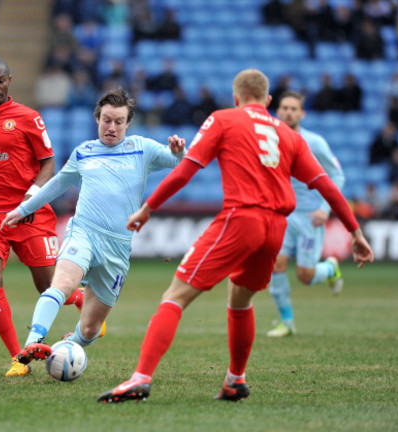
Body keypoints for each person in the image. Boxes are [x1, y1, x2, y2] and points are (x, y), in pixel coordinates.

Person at [97, 69, 374, 404]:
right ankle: (235, 380)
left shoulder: (224, 119)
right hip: (275, 228)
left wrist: (148, 207)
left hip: (241, 219)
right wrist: (355, 232)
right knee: (241, 299)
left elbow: (187, 169)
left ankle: (140, 378)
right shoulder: (289, 136)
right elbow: (327, 186)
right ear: (269, 101)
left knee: (176, 294)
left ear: (235, 98)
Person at [1, 88, 185, 366]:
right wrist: (23, 209)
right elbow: (58, 184)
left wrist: (178, 151)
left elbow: (176, 160)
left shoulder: (142, 149)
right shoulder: (84, 153)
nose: (111, 127)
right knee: (62, 283)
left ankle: (66, 348)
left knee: (90, 330)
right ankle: (32, 343)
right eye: (106, 120)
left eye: (118, 122)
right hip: (84, 233)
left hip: (118, 248)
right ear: (97, 119)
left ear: (128, 124)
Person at [0, 56, 82, 378]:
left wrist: (30, 197)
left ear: (9, 80)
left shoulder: (28, 117)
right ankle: (19, 357)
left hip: (28, 213)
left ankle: (85, 302)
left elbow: (48, 162)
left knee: (49, 287)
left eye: (0, 80)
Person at [266, 90, 346, 338]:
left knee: (305, 276)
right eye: (285, 108)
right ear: (277, 111)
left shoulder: (315, 142)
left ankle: (331, 269)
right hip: (282, 215)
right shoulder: (270, 140)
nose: (289, 112)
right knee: (276, 266)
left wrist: (324, 209)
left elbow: (337, 175)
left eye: (294, 108)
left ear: (302, 113)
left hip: (310, 216)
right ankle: (287, 322)